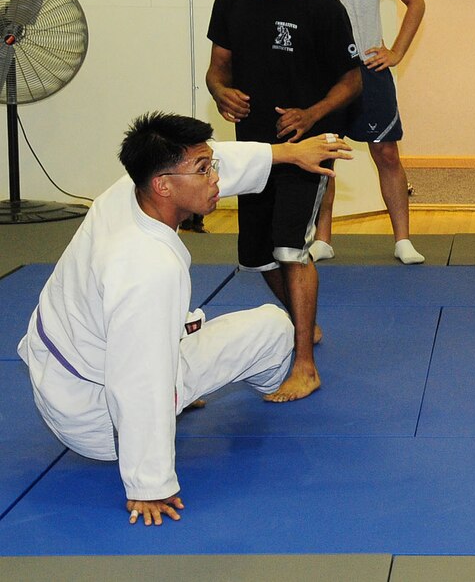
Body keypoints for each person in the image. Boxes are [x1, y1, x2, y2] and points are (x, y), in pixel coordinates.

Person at [17, 112, 352, 526]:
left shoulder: (129, 189)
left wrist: (287, 154)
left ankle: (181, 385)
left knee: (169, 336)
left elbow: (212, 162)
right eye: (204, 170)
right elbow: (138, 379)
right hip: (97, 415)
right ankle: (185, 401)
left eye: (210, 165)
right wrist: (150, 485)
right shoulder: (147, 267)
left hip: (64, 366)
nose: (215, 177)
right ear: (163, 185)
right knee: (274, 329)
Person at [206, 0, 362, 402]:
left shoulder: (320, 6)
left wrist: (313, 115)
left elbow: (354, 78)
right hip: (253, 149)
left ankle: (305, 363)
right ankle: (304, 324)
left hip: (306, 147)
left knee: (292, 248)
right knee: (256, 255)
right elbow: (218, 68)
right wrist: (219, 92)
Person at [297, 0, 426, 265]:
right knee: (322, 157)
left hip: (369, 69)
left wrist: (397, 51)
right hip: (323, 77)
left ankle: (402, 240)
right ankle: (323, 239)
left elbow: (416, 1)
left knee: (386, 153)